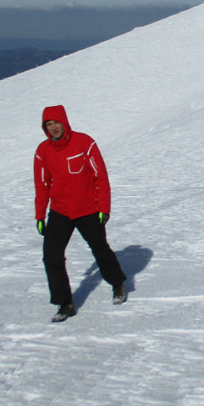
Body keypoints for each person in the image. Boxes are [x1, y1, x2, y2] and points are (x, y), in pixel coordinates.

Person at [34, 105, 128, 323]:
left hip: (88, 209)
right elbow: (42, 184)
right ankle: (64, 302)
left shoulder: (84, 143)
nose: (54, 128)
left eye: (56, 123)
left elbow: (100, 177)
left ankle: (117, 283)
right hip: (60, 211)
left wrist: (104, 208)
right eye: (49, 124)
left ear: (64, 122)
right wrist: (40, 216)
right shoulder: (43, 151)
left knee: (100, 249)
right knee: (51, 256)